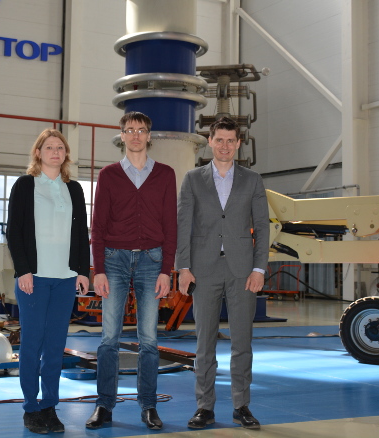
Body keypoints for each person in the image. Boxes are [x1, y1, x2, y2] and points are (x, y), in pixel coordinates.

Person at [176, 116, 270, 430]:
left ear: (238, 143)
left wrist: (259, 268)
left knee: (242, 342)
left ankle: (241, 406)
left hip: (243, 271)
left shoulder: (253, 179)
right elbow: (184, 226)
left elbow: (263, 228)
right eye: (220, 140)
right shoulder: (192, 179)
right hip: (203, 271)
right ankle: (205, 407)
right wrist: (183, 267)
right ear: (210, 141)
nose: (225, 146)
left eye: (231, 140)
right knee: (205, 344)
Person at [86, 111, 177, 431]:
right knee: (108, 338)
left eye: (141, 130)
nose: (136, 135)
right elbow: (97, 226)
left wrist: (167, 269)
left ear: (149, 136)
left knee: (149, 340)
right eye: (130, 130)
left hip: (152, 262)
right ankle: (104, 405)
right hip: (113, 261)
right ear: (122, 136)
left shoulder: (165, 174)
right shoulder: (109, 175)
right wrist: (98, 269)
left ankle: (149, 406)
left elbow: (170, 225)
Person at [6, 129, 91, 434]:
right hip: (35, 279)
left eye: (60, 148)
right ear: (38, 153)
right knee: (32, 345)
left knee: (55, 347)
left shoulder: (74, 189)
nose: (55, 152)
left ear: (65, 154)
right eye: (49, 147)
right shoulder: (25, 185)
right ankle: (31, 407)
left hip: (65, 279)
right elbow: (13, 231)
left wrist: (83, 270)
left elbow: (82, 234)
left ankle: (49, 406)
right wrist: (23, 270)